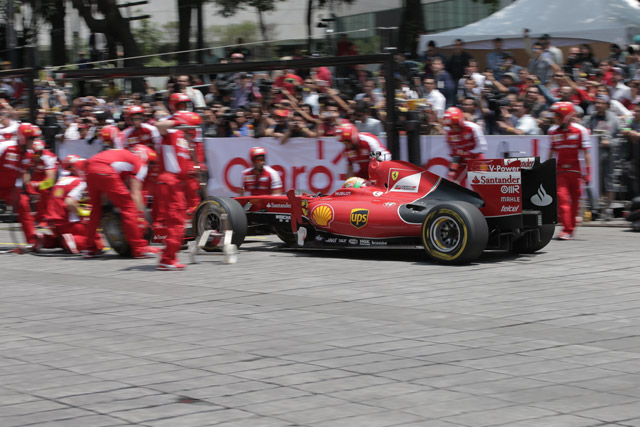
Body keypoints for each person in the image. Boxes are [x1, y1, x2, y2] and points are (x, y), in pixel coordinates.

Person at [82, 146, 158, 258]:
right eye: (151, 163)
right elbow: (135, 192)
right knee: (128, 207)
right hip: (105, 169)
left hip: (90, 168)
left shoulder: (125, 155)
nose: (150, 166)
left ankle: (89, 248)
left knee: (96, 210)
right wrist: (141, 216)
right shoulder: (141, 163)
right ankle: (139, 248)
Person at [153, 113, 202, 271]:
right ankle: (167, 259)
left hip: (175, 184)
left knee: (178, 221)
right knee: (176, 221)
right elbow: (159, 125)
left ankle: (169, 257)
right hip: (169, 182)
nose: (193, 131)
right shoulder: (172, 132)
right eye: (191, 127)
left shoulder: (185, 142)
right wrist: (178, 122)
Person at [38, 155, 103, 254]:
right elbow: (69, 202)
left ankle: (48, 240)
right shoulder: (80, 182)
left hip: (53, 223)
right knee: (96, 242)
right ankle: (73, 241)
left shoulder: (60, 181)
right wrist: (84, 212)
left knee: (60, 240)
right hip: (68, 222)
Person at [548, 102, 592, 240]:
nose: (554, 118)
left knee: (575, 201)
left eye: (557, 115)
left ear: (566, 116)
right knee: (562, 199)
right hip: (560, 171)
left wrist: (588, 172)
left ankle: (570, 228)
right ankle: (566, 229)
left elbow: (586, 153)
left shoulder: (580, 131)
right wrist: (547, 170)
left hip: (575, 171)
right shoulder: (553, 131)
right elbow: (551, 152)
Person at [0, 122, 37, 248]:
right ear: (24, 138)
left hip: (9, 188)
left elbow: (25, 172)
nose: (34, 142)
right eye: (32, 139)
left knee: (23, 205)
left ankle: (32, 241)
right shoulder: (4, 147)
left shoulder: (29, 154)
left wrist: (29, 189)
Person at [442, 107, 487, 185]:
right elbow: (449, 150)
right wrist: (457, 156)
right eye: (450, 126)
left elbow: (482, 147)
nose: (454, 128)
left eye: (455, 125)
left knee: (481, 183)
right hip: (459, 160)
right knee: (454, 182)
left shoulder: (473, 128)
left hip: (475, 158)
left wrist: (467, 153)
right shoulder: (448, 132)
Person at [27, 138, 58, 225]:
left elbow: (50, 182)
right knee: (30, 189)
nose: (37, 155)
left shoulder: (49, 158)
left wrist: (35, 185)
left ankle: (46, 218)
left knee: (44, 191)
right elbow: (25, 171)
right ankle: (38, 215)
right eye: (35, 153)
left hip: (49, 175)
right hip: (38, 172)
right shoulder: (28, 155)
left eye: (39, 152)